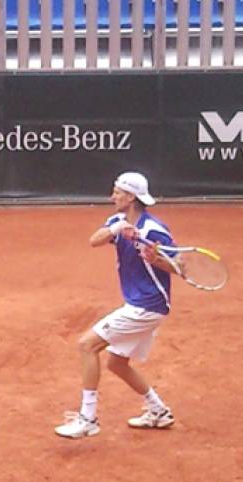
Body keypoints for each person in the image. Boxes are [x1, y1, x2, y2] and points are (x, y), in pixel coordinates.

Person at [55, 171, 182, 439]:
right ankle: (158, 411)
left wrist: (154, 257)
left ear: (131, 196)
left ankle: (87, 419)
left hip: (147, 306)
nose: (112, 196)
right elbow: (94, 240)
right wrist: (117, 230)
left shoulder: (154, 230)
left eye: (118, 191)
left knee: (87, 345)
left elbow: (179, 266)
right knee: (117, 364)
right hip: (140, 304)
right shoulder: (118, 221)